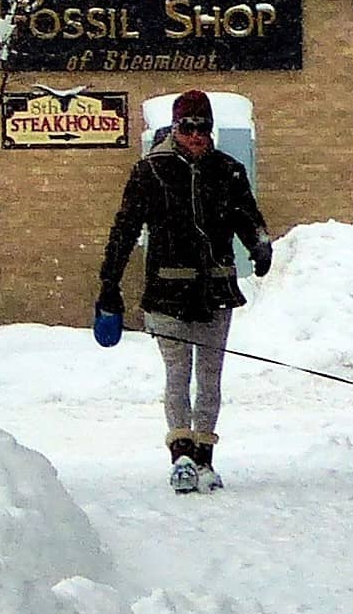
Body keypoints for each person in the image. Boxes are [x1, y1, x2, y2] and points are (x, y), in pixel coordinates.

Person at [96, 90, 274, 493]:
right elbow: (124, 229)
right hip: (166, 293)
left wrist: (259, 244)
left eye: (203, 128)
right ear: (175, 129)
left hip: (216, 292)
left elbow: (248, 216)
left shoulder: (228, 170)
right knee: (178, 376)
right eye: (188, 127)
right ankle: (181, 456)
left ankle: (206, 459)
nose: (197, 136)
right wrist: (110, 283)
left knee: (210, 377)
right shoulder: (151, 171)